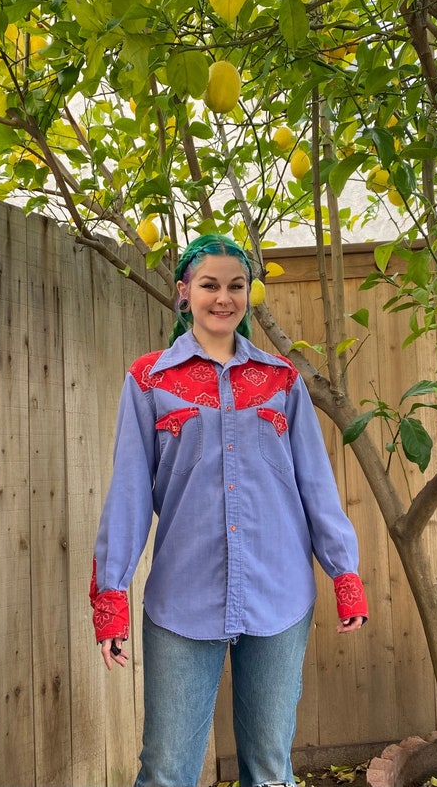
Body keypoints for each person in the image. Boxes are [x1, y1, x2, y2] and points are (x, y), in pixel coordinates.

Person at [90, 234, 368, 787]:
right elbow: (128, 494)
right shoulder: (149, 381)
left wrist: (344, 572)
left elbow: (315, 484)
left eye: (236, 286)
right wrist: (110, 594)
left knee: (269, 769)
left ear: (248, 294)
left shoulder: (281, 380)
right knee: (166, 770)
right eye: (210, 285)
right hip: (182, 599)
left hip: (279, 594)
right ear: (184, 293)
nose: (224, 298)